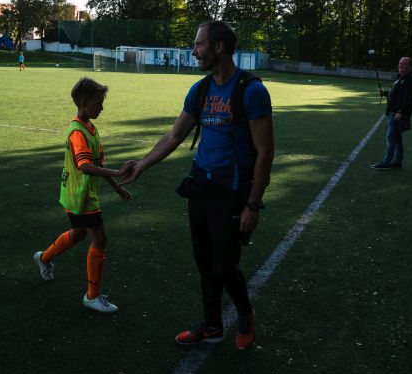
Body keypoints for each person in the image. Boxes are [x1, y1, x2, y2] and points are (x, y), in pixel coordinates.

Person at [120, 21, 274, 350]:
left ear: (219, 47)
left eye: (199, 44)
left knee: (224, 265)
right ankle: (213, 326)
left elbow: (265, 151)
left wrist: (253, 203)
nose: (194, 51)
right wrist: (142, 165)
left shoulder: (251, 91)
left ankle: (245, 314)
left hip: (233, 193)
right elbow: (175, 135)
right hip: (201, 187)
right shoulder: (200, 90)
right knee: (205, 262)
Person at [33, 77, 132, 313]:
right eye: (98, 102)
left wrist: (117, 186)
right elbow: (85, 166)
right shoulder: (77, 132)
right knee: (100, 239)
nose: (101, 107)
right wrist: (118, 172)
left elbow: (96, 163)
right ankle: (92, 296)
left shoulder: (90, 129)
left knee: (78, 234)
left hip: (79, 193)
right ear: (84, 103)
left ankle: (44, 258)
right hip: (80, 195)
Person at [371, 57, 412, 169]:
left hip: (397, 113)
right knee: (397, 138)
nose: (401, 65)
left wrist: (401, 112)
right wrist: (385, 93)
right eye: (400, 63)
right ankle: (398, 161)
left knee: (390, 138)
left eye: (404, 64)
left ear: (410, 67)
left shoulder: (410, 79)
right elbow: (395, 95)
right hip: (392, 112)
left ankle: (386, 162)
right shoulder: (400, 78)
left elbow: (408, 98)